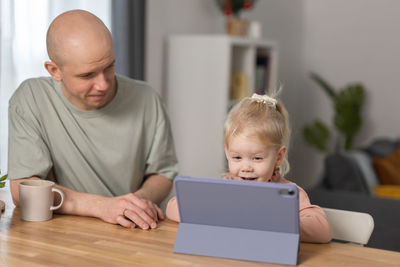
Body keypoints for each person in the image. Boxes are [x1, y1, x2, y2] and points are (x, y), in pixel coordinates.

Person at [8, 10, 178, 230]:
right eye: (87, 75)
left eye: (109, 67)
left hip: (133, 230)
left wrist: (134, 204)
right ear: (54, 71)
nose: (103, 85)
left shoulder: (147, 98)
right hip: (59, 234)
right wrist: (103, 207)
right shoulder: (30, 98)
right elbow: (24, 190)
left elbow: (162, 173)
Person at [166, 93, 332, 243]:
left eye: (257, 158)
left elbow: (322, 230)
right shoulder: (224, 187)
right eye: (237, 157)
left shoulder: (288, 192)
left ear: (279, 157)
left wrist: (275, 221)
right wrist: (211, 214)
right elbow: (172, 206)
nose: (245, 167)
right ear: (227, 153)